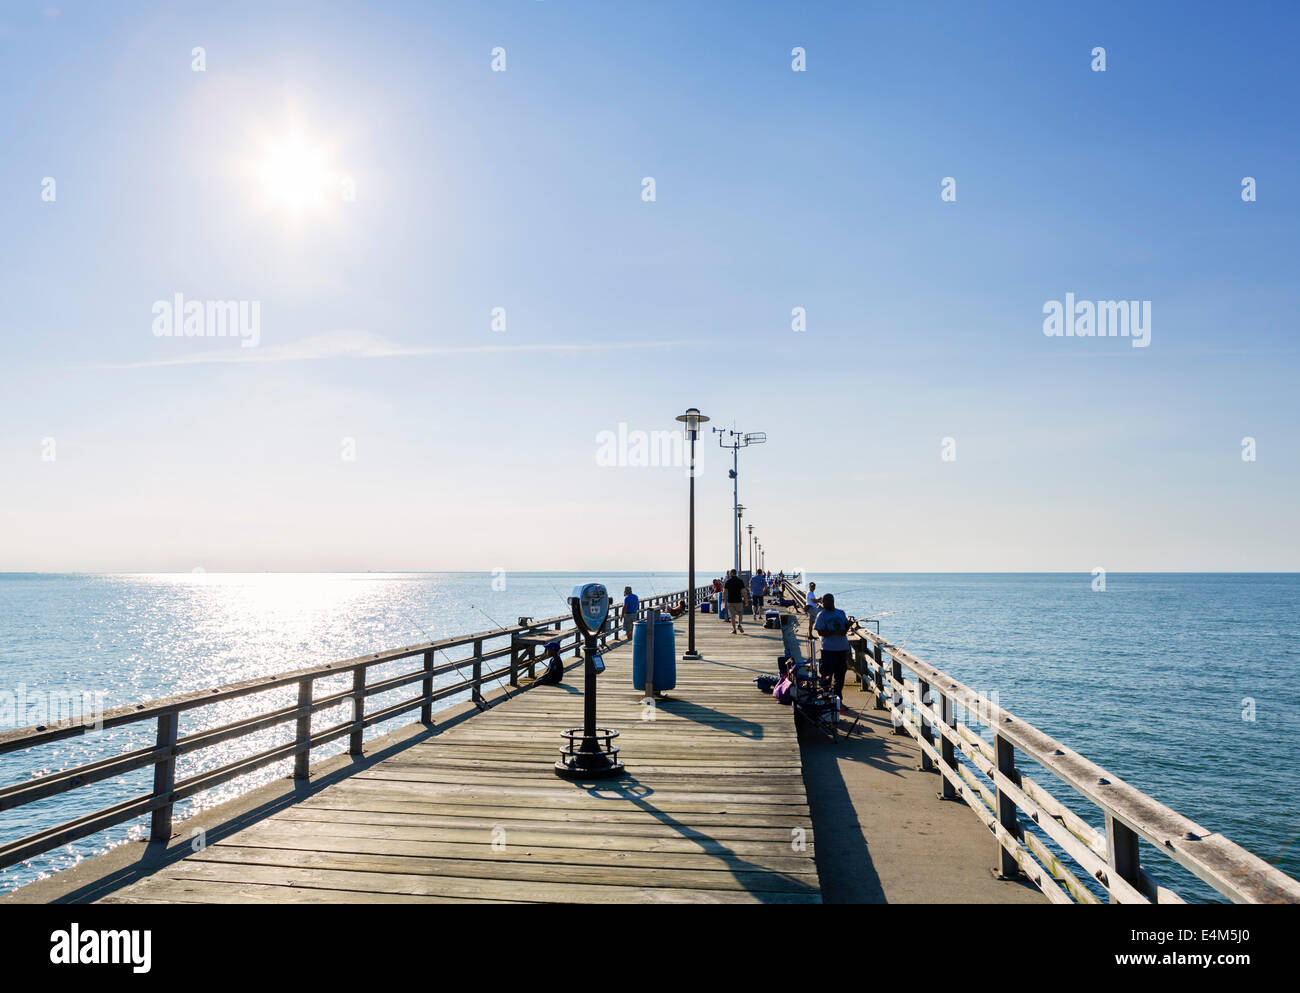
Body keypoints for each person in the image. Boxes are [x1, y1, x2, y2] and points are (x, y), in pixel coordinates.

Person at [814, 593, 851, 698]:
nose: (824, 604)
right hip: (828, 650)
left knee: (840, 676)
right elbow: (820, 632)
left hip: (842, 649)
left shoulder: (841, 613)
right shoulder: (822, 615)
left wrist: (848, 626)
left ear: (832, 601)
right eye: (824, 601)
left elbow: (844, 631)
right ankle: (826, 697)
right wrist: (836, 632)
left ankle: (838, 698)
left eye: (826, 601)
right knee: (826, 676)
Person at [723, 568, 748, 634]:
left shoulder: (728, 581)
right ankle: (739, 624)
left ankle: (734, 630)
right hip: (738, 601)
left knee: (732, 616)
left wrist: (724, 600)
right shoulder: (740, 581)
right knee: (740, 613)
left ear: (731, 573)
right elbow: (744, 592)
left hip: (730, 601)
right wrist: (746, 600)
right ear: (735, 573)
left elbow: (724, 591)